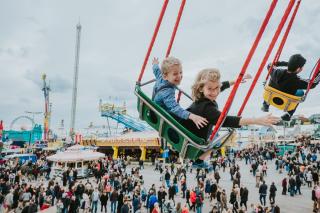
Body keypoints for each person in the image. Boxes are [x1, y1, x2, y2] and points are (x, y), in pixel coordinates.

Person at [178, 68, 279, 156]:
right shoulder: (207, 108)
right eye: (210, 89)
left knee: (216, 141)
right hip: (195, 143)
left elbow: (221, 86)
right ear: (201, 88)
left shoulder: (202, 99)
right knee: (217, 143)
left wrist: (235, 81)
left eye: (216, 88)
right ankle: (200, 159)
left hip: (194, 135)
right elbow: (226, 120)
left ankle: (200, 160)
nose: (214, 92)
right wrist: (257, 120)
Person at [152, 57, 208, 129]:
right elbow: (174, 108)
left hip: (160, 111)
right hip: (160, 115)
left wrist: (155, 64)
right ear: (165, 76)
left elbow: (156, 70)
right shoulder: (167, 92)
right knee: (187, 118)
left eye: (180, 72)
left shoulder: (160, 77)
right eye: (175, 74)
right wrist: (191, 116)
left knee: (187, 113)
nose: (179, 76)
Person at [261, 54, 320, 121]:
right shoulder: (297, 81)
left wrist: (287, 64)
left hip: (269, 98)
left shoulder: (275, 72)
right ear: (298, 69)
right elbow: (313, 83)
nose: (302, 68)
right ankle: (288, 114)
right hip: (285, 104)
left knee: (271, 86)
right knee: (301, 92)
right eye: (302, 67)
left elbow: (270, 64)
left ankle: (265, 105)